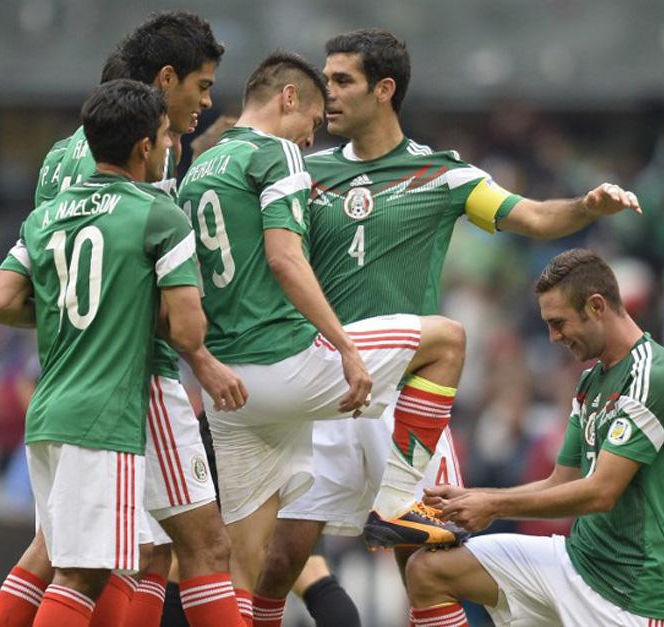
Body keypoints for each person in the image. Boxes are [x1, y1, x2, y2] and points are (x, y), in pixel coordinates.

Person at [255, 28, 643, 623]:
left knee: (425, 570)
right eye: (325, 79)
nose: (325, 94)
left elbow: (534, 217)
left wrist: (586, 208)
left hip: (409, 401)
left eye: (341, 81)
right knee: (280, 560)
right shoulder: (304, 172)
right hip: (330, 390)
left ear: (384, 90)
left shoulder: (442, 175)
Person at [177, 50, 468, 627]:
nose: (312, 138)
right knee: (449, 339)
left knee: (244, 566)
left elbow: (184, 291)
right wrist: (345, 345)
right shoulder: (276, 152)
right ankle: (398, 501)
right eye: (311, 123)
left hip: (230, 391)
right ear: (288, 99)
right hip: (287, 366)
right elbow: (285, 259)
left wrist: (202, 361)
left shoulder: (195, 173)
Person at [0, 13, 248, 627]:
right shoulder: (147, 170)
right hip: (135, 377)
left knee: (107, 551)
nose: (205, 102)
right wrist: (198, 359)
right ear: (163, 83)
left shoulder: (61, 156)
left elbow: (24, 290)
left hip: (64, 371)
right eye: (201, 85)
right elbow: (145, 284)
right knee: (193, 547)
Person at [404, 248, 664, 627]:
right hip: (575, 560)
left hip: (630, 598)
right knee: (428, 570)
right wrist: (477, 497)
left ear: (596, 306)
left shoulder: (655, 376)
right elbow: (562, 481)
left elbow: (601, 492)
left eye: (559, 323)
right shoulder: (591, 381)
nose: (553, 336)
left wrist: (492, 506)